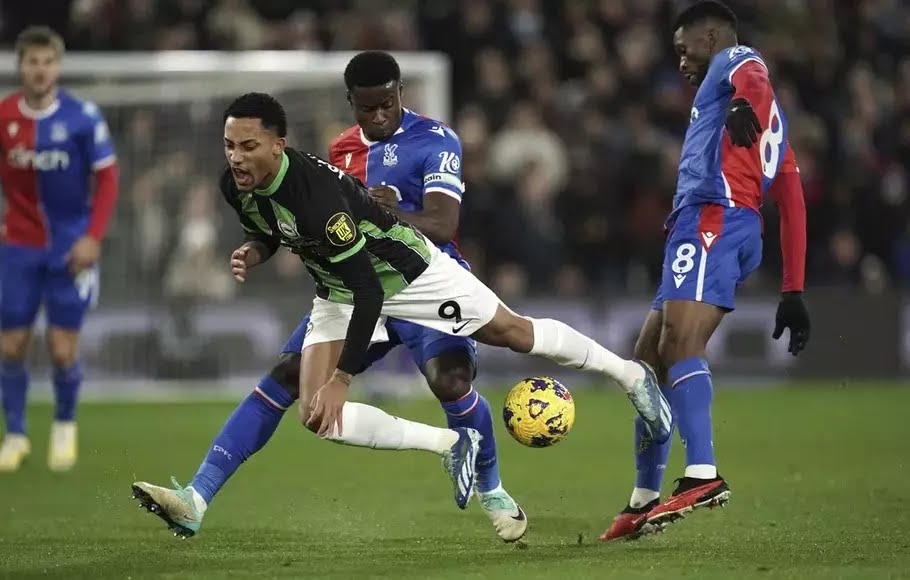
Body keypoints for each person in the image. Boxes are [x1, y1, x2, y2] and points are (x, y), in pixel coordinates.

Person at [133, 91, 671, 539]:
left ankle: (629, 374)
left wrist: (343, 377)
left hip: (407, 275)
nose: (235, 156)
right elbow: (277, 228)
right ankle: (196, 500)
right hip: (339, 291)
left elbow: (371, 290)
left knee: (512, 331)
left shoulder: (320, 199)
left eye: (248, 145)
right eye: (229, 145)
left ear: (278, 144)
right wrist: (256, 249)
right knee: (313, 411)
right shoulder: (238, 186)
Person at [133, 50, 529, 543]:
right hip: (354, 288)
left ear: (401, 94)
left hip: (418, 282)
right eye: (368, 106)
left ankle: (491, 489)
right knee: (285, 380)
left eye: (386, 103)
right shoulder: (338, 151)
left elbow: (445, 224)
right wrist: (258, 248)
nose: (379, 115)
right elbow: (301, 223)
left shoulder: (435, 139)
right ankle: (196, 498)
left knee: (449, 381)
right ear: (352, 103)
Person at [599, 0, 810, 541]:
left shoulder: (735, 62)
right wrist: (792, 289)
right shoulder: (769, 126)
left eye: (683, 48)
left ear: (710, 37)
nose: (681, 62)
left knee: (678, 345)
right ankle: (643, 497)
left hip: (714, 216)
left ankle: (703, 473)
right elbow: (791, 195)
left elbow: (754, 76)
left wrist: (746, 102)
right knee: (647, 361)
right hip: (719, 225)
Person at [0, 26, 118, 472]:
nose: (40, 69)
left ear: (58, 66)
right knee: (10, 345)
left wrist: (93, 236)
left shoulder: (84, 117)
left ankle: (64, 427)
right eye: (32, 61)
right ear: (20, 66)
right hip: (19, 248)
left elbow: (107, 180)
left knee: (62, 347)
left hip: (71, 249)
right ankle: (15, 435)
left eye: (47, 61)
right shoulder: (3, 116)